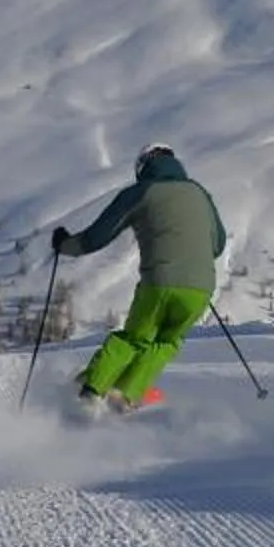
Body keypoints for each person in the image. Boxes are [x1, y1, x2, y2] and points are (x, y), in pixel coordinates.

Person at [53, 144, 228, 411]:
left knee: (134, 337)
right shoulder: (200, 193)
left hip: (160, 281)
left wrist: (64, 245)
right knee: (167, 343)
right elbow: (218, 245)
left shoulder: (140, 192)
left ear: (143, 166)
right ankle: (124, 394)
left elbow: (95, 238)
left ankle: (90, 390)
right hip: (201, 288)